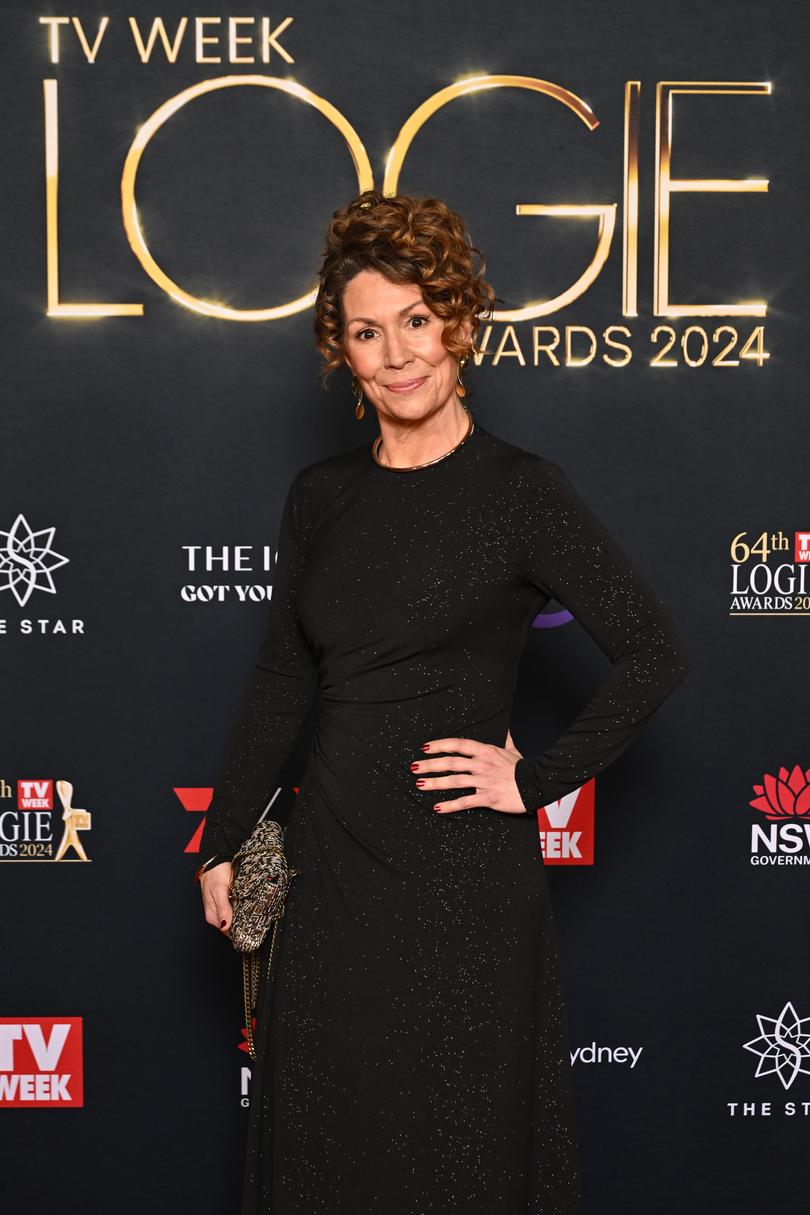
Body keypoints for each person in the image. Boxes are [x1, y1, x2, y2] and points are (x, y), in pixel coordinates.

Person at [196, 189, 690, 1214]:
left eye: (416, 322)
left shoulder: (520, 491)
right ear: (342, 349)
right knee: (332, 1157)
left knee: (463, 1161)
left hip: (464, 888)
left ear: (459, 323)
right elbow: (286, 678)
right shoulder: (320, 495)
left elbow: (653, 649)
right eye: (367, 332)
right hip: (330, 877)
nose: (397, 354)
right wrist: (222, 835)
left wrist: (538, 778)